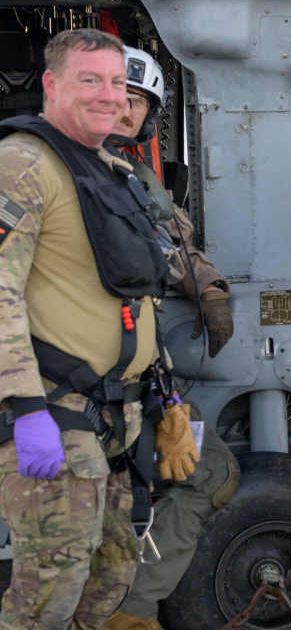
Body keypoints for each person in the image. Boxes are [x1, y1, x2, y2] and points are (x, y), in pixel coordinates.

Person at [0, 28, 198, 628]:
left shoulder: (111, 171)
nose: (110, 96)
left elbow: (135, 298)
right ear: (53, 85)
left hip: (119, 418)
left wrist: (167, 397)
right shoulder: (22, 164)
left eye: (117, 82)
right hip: (56, 415)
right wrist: (25, 406)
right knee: (48, 596)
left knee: (109, 578)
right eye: (90, 80)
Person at [102, 46, 240, 630]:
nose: (124, 109)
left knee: (207, 476)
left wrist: (209, 288)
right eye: (115, 95)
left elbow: (177, 246)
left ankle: (126, 608)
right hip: (89, 384)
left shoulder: (135, 179)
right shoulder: (68, 176)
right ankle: (129, 609)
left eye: (137, 101)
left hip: (137, 374)